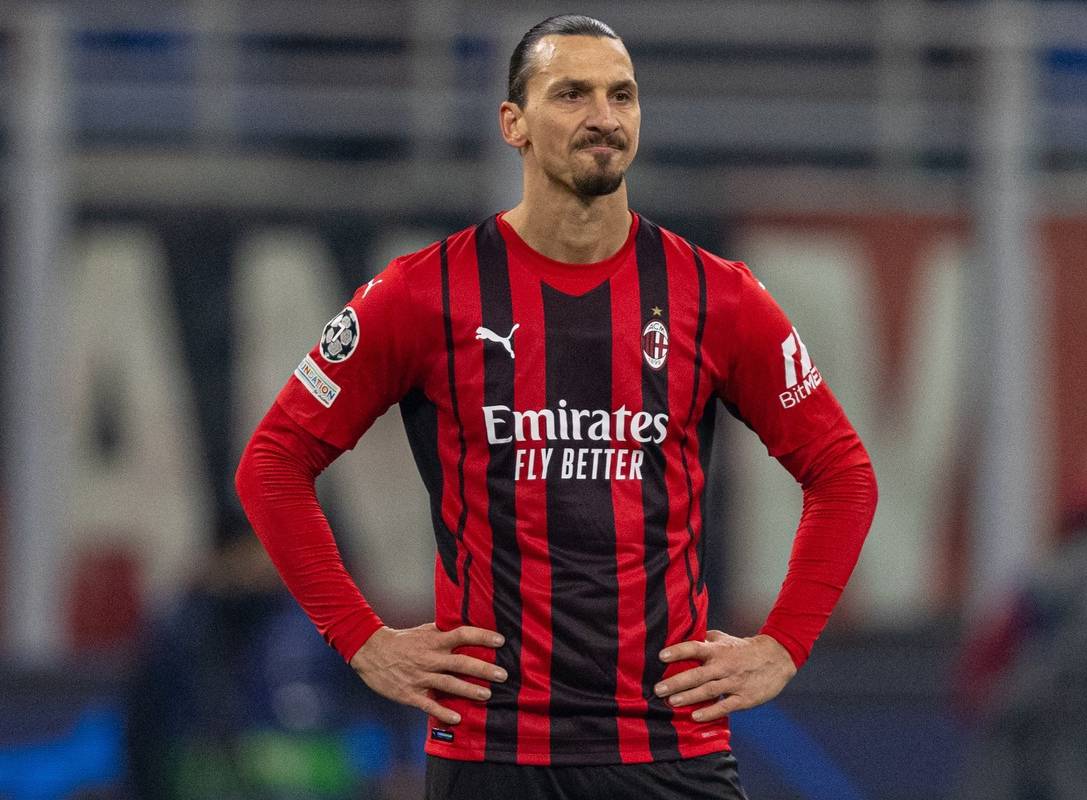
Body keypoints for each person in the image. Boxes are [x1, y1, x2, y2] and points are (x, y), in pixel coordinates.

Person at [236, 14, 877, 800]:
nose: (603, 117)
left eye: (622, 95)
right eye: (571, 93)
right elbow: (272, 463)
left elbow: (843, 472)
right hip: (491, 752)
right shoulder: (420, 294)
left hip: (668, 746)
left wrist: (784, 645)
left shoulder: (719, 298)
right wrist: (362, 639)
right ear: (514, 124)